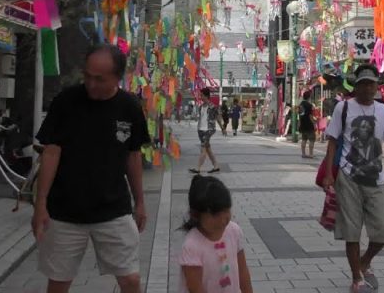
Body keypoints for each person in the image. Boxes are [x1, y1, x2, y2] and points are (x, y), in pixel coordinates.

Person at [32, 44, 151, 293]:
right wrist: (40, 203)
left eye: (100, 79)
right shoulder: (66, 102)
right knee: (58, 283)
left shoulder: (129, 107)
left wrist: (140, 201)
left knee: (130, 280)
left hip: (114, 209)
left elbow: (133, 155)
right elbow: (51, 152)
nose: (91, 84)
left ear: (118, 78)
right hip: (64, 210)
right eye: (87, 76)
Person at [322, 63, 384, 293]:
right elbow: (332, 141)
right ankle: (356, 278)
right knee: (351, 231)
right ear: (356, 86)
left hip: (376, 179)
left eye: (372, 84)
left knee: (383, 231)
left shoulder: (383, 111)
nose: (368, 88)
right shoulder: (344, 108)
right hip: (348, 177)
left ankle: (365, 261)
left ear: (377, 87)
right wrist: (330, 173)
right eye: (364, 84)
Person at [178, 175, 254, 293]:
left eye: (226, 210)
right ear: (195, 215)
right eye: (215, 214)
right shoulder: (192, 246)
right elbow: (195, 288)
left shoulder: (234, 231)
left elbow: (243, 273)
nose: (223, 219)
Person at [191, 88, 221, 174]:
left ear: (206, 96)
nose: (201, 97)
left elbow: (218, 117)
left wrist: (222, 128)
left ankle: (198, 168)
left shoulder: (212, 106)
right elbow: (201, 118)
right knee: (208, 149)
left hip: (208, 130)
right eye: (200, 95)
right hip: (201, 130)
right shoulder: (201, 107)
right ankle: (216, 166)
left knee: (203, 149)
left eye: (202, 95)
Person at [298, 90, 317, 158]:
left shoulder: (300, 105)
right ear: (309, 97)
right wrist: (314, 124)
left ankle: (303, 153)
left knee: (304, 139)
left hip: (303, 123)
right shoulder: (309, 105)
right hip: (309, 124)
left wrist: (299, 124)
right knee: (312, 139)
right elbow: (310, 116)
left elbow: (300, 115)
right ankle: (310, 154)